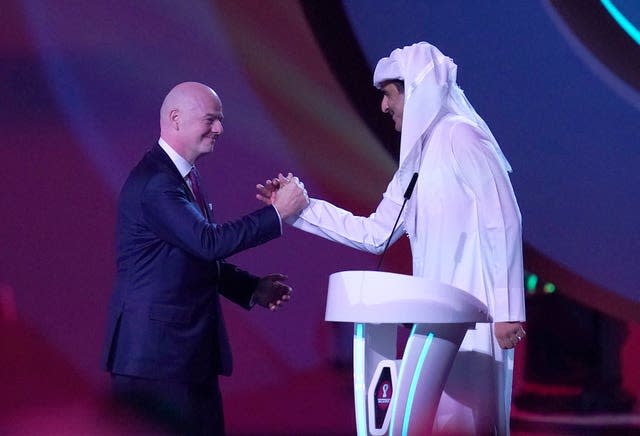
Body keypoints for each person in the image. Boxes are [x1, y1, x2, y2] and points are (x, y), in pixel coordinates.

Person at [258, 42, 526, 434]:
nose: (384, 107)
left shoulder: (462, 138)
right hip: (436, 322)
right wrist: (301, 208)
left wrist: (507, 310)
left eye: (389, 94)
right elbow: (375, 233)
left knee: (469, 424)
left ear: (416, 91)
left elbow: (503, 219)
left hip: (475, 320)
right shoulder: (415, 162)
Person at [101, 81, 309, 435]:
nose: (220, 129)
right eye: (211, 119)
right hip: (156, 363)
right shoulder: (157, 183)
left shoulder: (183, 177)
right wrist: (277, 213)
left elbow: (190, 257)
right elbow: (208, 242)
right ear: (176, 119)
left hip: (181, 360)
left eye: (221, 120)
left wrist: (250, 288)